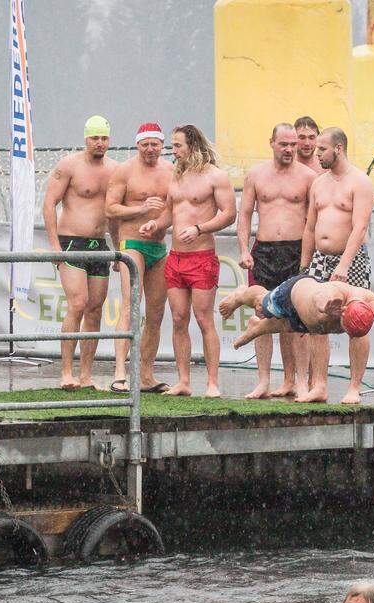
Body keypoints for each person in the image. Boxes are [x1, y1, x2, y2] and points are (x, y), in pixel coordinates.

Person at [237, 123, 317, 400]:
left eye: (294, 144)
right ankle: (263, 381)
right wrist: (244, 250)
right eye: (284, 144)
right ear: (271, 143)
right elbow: (245, 214)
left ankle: (298, 382)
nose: (290, 149)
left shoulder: (308, 177)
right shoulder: (256, 175)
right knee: (262, 314)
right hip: (264, 251)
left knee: (298, 319)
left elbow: (313, 220)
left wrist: (307, 260)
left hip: (295, 252)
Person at [42, 115, 119, 390]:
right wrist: (54, 245)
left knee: (95, 310)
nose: (99, 143)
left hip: (99, 244)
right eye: (94, 138)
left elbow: (115, 214)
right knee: (77, 303)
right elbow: (49, 203)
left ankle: (85, 375)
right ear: (85, 139)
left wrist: (119, 248)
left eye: (104, 138)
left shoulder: (115, 169)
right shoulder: (69, 165)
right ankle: (66, 372)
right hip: (71, 242)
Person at [300, 127, 374, 404]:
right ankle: (319, 385)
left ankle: (354, 387)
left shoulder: (360, 182)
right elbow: (309, 228)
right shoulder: (318, 183)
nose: (316, 154)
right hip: (321, 258)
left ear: (338, 149)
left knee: (358, 320)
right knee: (316, 321)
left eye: (321, 149)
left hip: (351, 259)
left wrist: (344, 265)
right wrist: (304, 267)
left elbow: (360, 227)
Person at [162, 125, 234, 397]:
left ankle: (213, 382)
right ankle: (183, 381)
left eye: (178, 145)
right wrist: (154, 225)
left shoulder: (216, 176)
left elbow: (229, 214)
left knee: (204, 319)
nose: (173, 150)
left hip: (201, 257)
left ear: (192, 145)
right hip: (176, 257)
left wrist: (200, 228)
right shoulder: (176, 176)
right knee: (179, 318)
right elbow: (171, 214)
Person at [105, 122, 175, 393]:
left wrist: (159, 222)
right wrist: (141, 209)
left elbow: (176, 206)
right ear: (137, 145)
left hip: (158, 246)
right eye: (145, 145)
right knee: (131, 305)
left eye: (155, 144)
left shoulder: (171, 171)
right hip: (131, 242)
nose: (150, 150)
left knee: (156, 313)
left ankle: (145, 374)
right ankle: (120, 372)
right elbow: (110, 209)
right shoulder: (124, 171)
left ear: (162, 145)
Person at [218, 274, 374, 350]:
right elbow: (318, 295)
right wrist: (325, 306)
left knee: (281, 326)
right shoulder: (335, 294)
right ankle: (240, 295)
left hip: (304, 323)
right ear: (343, 312)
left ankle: (255, 328)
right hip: (293, 296)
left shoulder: (371, 304)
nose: (343, 331)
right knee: (260, 303)